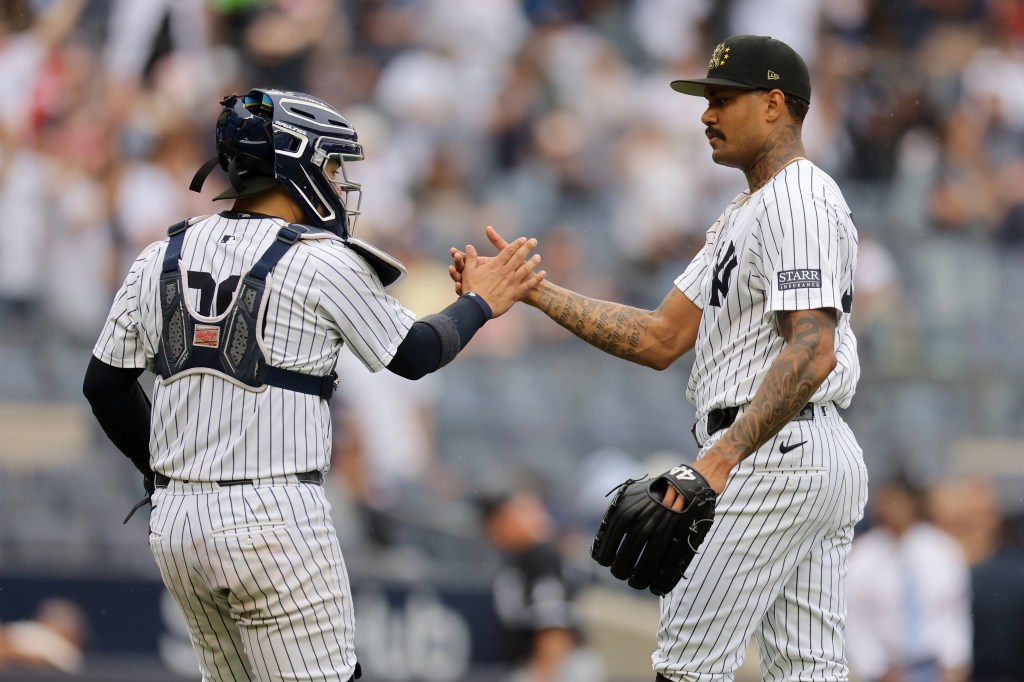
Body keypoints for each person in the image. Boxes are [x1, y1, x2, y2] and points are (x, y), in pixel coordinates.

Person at [82, 87, 544, 682]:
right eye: (330, 163)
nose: (338, 179)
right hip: (275, 518)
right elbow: (415, 353)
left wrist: (162, 472)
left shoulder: (160, 254)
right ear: (292, 162)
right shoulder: (321, 258)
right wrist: (482, 302)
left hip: (177, 522)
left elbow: (104, 387)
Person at [452, 34, 868, 682]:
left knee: (687, 665)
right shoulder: (745, 212)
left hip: (770, 450)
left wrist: (718, 460)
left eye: (725, 99)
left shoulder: (798, 198)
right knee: (808, 671)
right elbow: (658, 338)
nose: (707, 114)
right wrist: (534, 291)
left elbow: (811, 349)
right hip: (800, 450)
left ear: (775, 104)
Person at [846, 475, 971, 682]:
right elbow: (855, 621)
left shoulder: (942, 550)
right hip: (885, 670)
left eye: (898, 502)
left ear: (913, 504)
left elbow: (953, 614)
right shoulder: (863, 556)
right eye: (886, 502)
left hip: (934, 667)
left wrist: (954, 665)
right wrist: (877, 668)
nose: (891, 509)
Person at [477, 483, 604, 682]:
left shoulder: (541, 558)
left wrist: (543, 676)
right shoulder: (525, 558)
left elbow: (553, 626)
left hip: (553, 669)